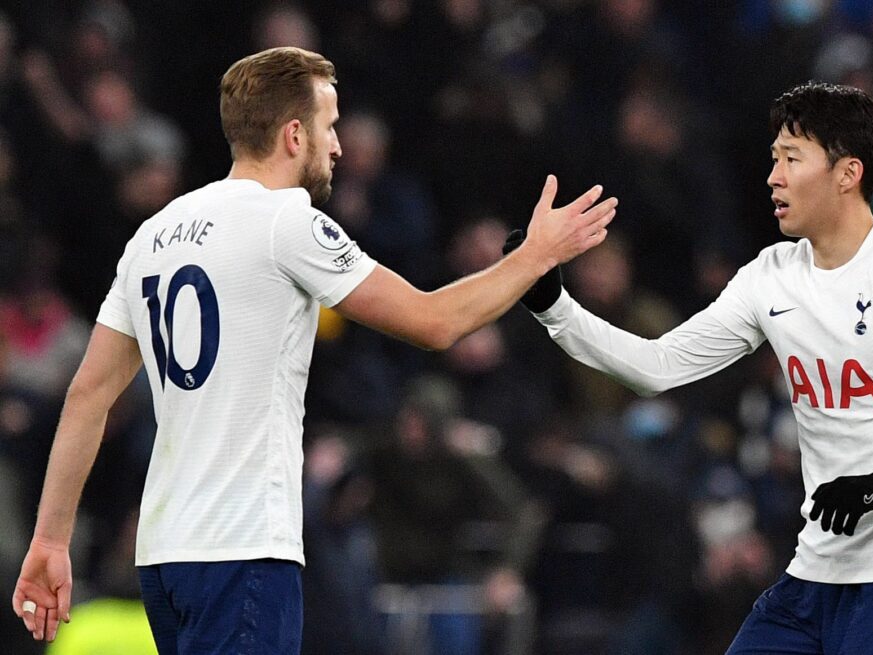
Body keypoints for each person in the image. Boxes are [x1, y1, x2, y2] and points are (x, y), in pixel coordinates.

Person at [10, 46, 617, 652]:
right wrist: (536, 257)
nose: (339, 147)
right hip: (243, 548)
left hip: (164, 555)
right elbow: (435, 321)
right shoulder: (286, 221)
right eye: (329, 127)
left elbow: (88, 394)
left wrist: (50, 541)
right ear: (294, 134)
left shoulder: (154, 234)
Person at [505, 81, 873, 653]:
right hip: (815, 574)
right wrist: (554, 307)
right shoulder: (771, 276)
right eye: (773, 159)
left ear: (848, 173)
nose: (774, 177)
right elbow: (658, 365)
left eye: (792, 159)